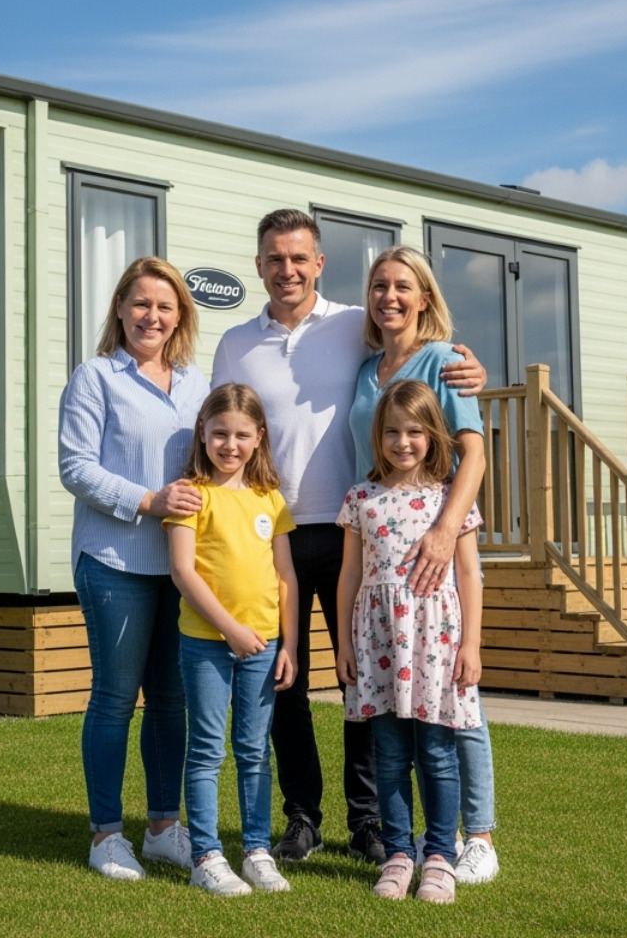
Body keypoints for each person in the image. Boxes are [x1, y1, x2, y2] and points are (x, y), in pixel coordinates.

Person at [212, 209, 485, 864]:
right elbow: (222, 426)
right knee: (286, 685)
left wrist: (470, 365)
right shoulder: (234, 343)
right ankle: (301, 817)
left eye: (298, 258)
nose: (287, 270)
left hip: (353, 533)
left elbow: (419, 354)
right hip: (271, 537)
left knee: (363, 681)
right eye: (275, 259)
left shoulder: (353, 325)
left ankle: (370, 822)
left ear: (319, 264)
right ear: (259, 265)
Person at [346, 245, 501, 885]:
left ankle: (476, 836)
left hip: (435, 545)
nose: (390, 296)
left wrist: (444, 529)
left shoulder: (442, 359)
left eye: (403, 286)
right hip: (382, 548)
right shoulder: (366, 368)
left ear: (426, 297)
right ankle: (412, 843)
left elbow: (473, 451)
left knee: (456, 708)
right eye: (379, 286)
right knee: (396, 732)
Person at [58, 257, 205, 881]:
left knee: (171, 701)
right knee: (116, 699)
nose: (152, 316)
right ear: (120, 308)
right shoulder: (95, 377)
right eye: (141, 303)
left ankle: (163, 830)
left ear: (180, 316)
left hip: (180, 568)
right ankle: (106, 835)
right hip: (114, 562)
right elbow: (75, 467)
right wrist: (150, 501)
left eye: (165, 306)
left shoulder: (196, 383)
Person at [336, 379, 484, 904]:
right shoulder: (361, 499)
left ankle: (439, 856)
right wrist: (344, 644)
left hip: (435, 643)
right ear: (377, 436)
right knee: (391, 755)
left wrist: (471, 645)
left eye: (415, 431)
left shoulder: (450, 501)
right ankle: (399, 855)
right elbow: (350, 575)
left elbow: (469, 575)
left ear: (433, 435)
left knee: (438, 753)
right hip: (379, 644)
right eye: (392, 432)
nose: (403, 442)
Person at [165, 384, 301, 896]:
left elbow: (285, 575)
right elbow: (182, 572)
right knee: (206, 750)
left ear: (259, 437)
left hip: (264, 648)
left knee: (254, 751)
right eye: (220, 433)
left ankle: (257, 851)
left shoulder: (271, 499)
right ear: (202, 432)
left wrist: (289, 645)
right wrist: (230, 629)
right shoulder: (190, 495)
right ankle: (206, 857)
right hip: (207, 643)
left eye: (242, 435)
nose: (230, 444)